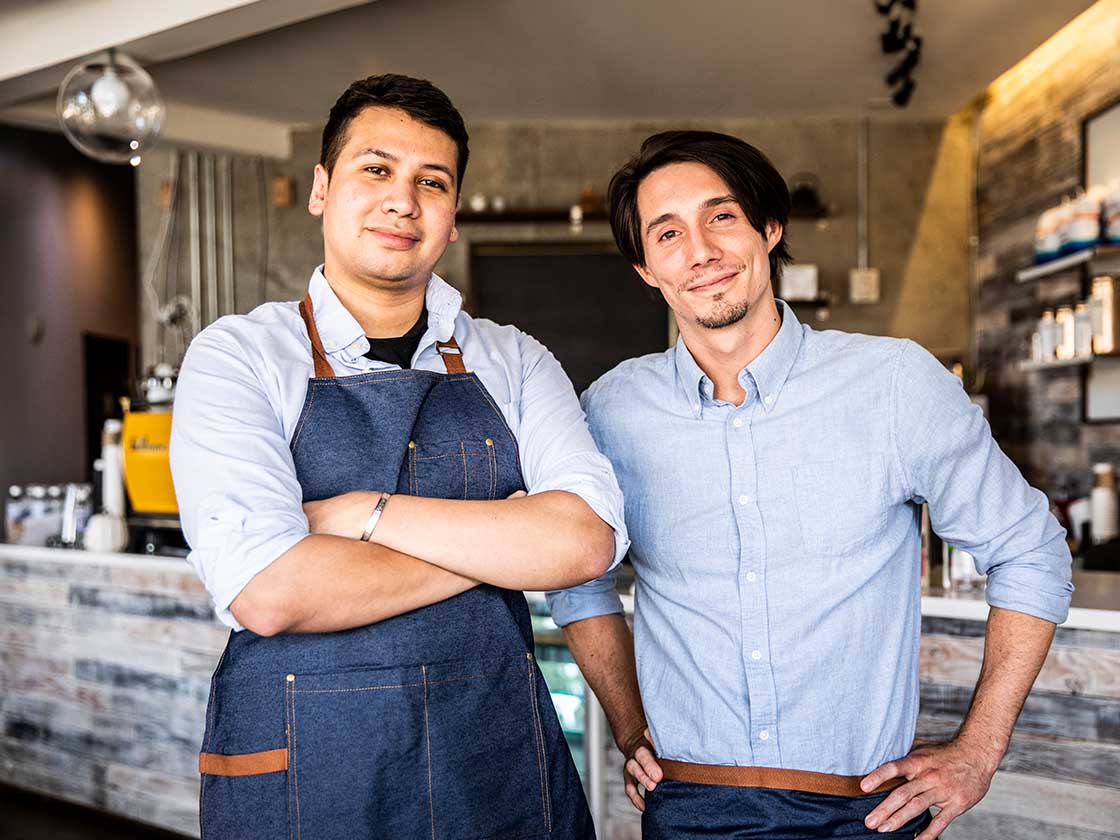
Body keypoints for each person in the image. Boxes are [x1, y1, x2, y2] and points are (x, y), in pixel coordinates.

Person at [547, 130, 1073, 840]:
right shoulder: (609, 411)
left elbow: (1031, 551)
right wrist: (628, 721)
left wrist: (978, 751)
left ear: (770, 227)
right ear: (646, 268)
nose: (700, 250)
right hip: (691, 808)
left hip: (866, 811)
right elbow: (576, 575)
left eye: (721, 216)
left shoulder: (894, 383)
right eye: (667, 232)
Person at [170, 74, 627, 839]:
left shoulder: (514, 360)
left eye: (432, 182)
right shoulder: (238, 356)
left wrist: (361, 517)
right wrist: (507, 543)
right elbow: (270, 592)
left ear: (451, 219)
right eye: (375, 170)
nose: (401, 200)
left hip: (493, 765)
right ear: (321, 189)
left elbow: (584, 543)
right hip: (309, 777)